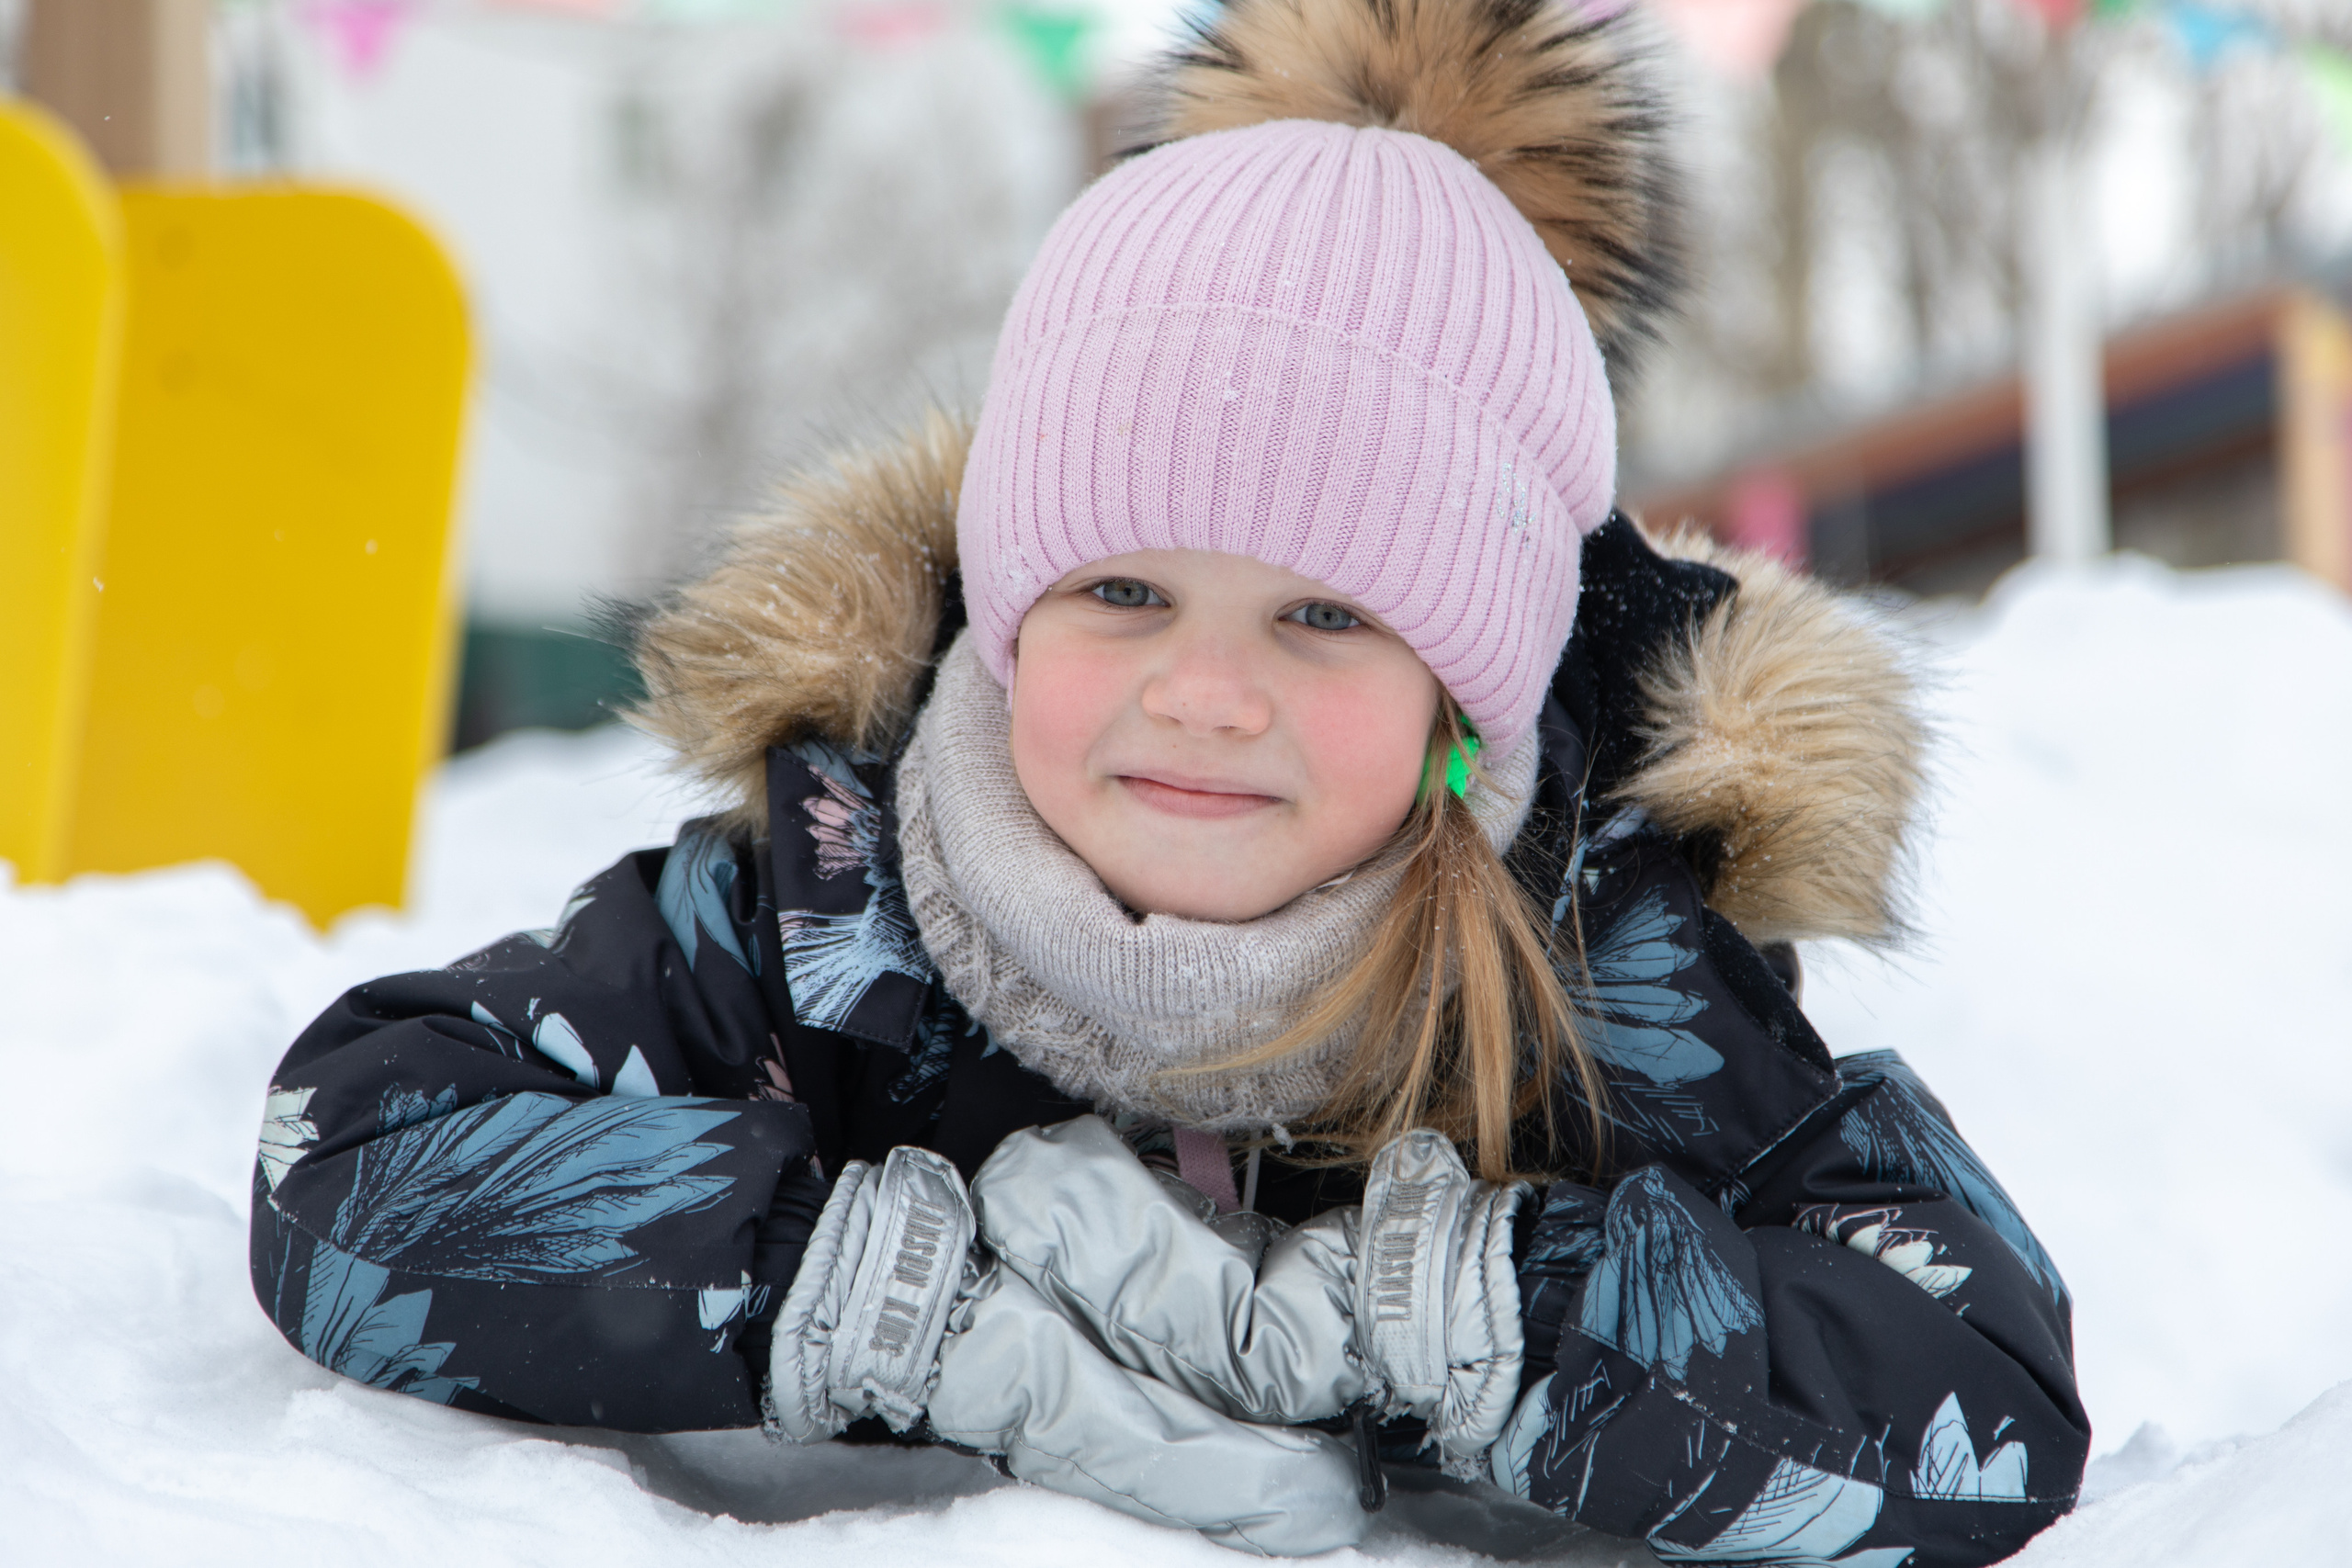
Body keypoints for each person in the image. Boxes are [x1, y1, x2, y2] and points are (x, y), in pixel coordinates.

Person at [249, 0, 2089, 1558]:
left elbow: (1976, 1380)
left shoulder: (1601, 960)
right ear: (998, 620)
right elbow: (347, 1153)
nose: (1203, 692)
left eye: (1320, 614)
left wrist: (1458, 1317)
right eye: (1119, 589)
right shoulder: (824, 897)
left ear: (1474, 696)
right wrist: (887, 1293)